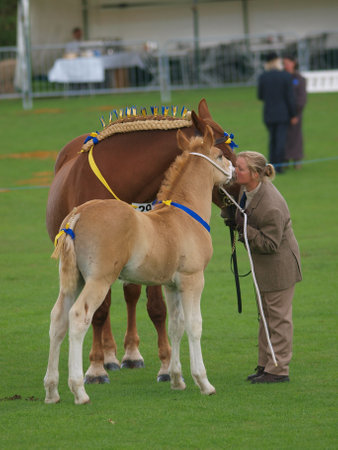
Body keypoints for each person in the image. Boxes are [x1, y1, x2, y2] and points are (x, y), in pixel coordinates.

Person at [222, 151, 302, 383]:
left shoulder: (271, 205)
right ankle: (266, 364)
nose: (235, 171)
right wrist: (232, 215)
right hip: (264, 268)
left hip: (279, 267)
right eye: (236, 166)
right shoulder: (248, 191)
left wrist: (242, 227)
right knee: (265, 317)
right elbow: (243, 213)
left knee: (278, 319)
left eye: (241, 168)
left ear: (255, 174)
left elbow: (270, 243)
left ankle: (278, 371)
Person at [258, 52, 298, 173]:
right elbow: (290, 97)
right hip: (283, 113)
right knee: (280, 140)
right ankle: (279, 166)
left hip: (269, 112)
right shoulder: (285, 76)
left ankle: (271, 165)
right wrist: (293, 114)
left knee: (272, 140)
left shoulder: (263, 77)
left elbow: (260, 96)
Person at [283, 54, 307, 169]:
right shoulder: (282, 77)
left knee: (296, 136)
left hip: (296, 113)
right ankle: (285, 159)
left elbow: (302, 98)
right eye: (284, 63)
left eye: (288, 63)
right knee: (284, 136)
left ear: (294, 63)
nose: (286, 65)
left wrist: (296, 113)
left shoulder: (299, 79)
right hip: (283, 113)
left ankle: (297, 159)